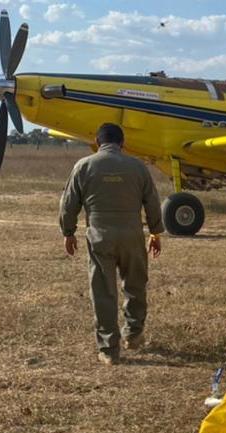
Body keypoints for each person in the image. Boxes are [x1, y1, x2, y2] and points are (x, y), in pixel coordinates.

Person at [60, 122, 163, 365]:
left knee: (103, 292)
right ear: (123, 143)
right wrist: (156, 232)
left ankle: (108, 349)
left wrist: (68, 232)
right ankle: (134, 334)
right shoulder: (137, 166)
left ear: (97, 142)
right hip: (132, 234)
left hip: (99, 235)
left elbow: (69, 203)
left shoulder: (84, 165)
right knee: (135, 285)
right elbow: (152, 202)